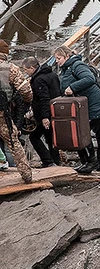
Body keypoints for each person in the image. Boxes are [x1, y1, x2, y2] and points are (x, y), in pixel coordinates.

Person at [54, 46, 100, 175]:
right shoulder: (67, 68)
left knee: (82, 132)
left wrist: (72, 87)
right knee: (78, 132)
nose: (57, 61)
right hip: (81, 106)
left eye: (58, 58)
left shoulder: (76, 65)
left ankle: (92, 161)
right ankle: (86, 162)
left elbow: (89, 79)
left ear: (66, 56)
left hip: (91, 105)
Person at [0, 43, 33, 183]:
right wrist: (27, 101)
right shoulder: (11, 69)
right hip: (2, 114)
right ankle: (26, 176)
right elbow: (26, 90)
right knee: (14, 144)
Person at [23, 55, 60, 168]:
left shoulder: (39, 80)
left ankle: (47, 160)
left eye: (26, 69)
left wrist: (44, 117)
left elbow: (44, 99)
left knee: (34, 137)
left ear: (32, 68)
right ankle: (55, 161)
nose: (25, 72)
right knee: (51, 139)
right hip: (55, 111)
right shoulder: (51, 74)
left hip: (44, 115)